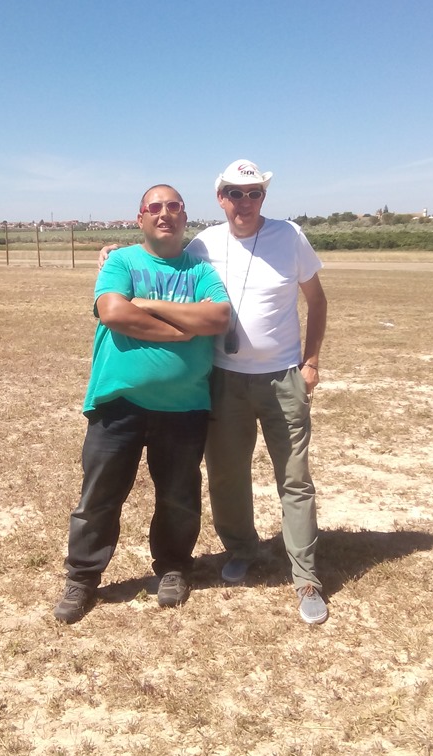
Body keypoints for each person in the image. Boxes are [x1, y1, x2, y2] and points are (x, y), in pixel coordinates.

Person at [100, 160, 328, 625]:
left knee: (294, 478)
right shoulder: (204, 243)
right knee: (226, 475)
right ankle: (242, 549)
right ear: (220, 198)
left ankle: (306, 576)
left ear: (263, 196)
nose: (245, 202)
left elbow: (317, 300)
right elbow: (162, 250)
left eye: (254, 193)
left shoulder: (290, 236)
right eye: (235, 193)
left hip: (283, 376)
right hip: (223, 378)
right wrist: (113, 253)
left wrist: (311, 362)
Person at [54, 184, 230, 624]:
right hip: (119, 402)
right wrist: (180, 329)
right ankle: (82, 578)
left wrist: (147, 303)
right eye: (155, 207)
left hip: (184, 406)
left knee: (178, 497)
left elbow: (217, 317)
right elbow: (114, 312)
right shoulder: (122, 262)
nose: (164, 213)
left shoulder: (199, 270)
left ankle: (173, 568)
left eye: (173, 206)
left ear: (184, 216)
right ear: (141, 218)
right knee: (99, 497)